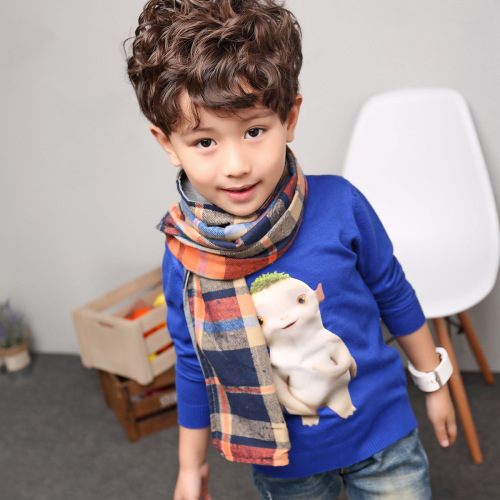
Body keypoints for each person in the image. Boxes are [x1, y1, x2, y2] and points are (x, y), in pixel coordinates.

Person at [124, 1, 457, 498]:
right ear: (168, 143)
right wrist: (190, 467)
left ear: (290, 116)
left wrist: (434, 382)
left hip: (383, 435)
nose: (236, 165)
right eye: (205, 142)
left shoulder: (341, 204)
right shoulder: (187, 256)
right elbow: (194, 361)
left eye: (254, 131)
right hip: (285, 464)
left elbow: (393, 292)